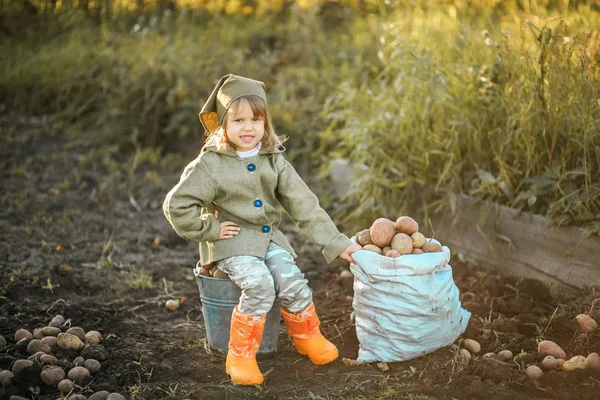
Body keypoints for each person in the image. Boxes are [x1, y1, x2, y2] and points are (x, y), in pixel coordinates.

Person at [163, 74, 362, 385]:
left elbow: (304, 205)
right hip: (231, 242)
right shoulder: (211, 163)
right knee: (259, 284)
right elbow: (177, 205)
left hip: (268, 239)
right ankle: (240, 354)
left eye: (256, 119)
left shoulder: (273, 160)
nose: (247, 127)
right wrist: (210, 229)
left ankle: (307, 335)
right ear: (222, 123)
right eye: (238, 119)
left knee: (292, 278)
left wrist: (337, 243)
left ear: (266, 123)